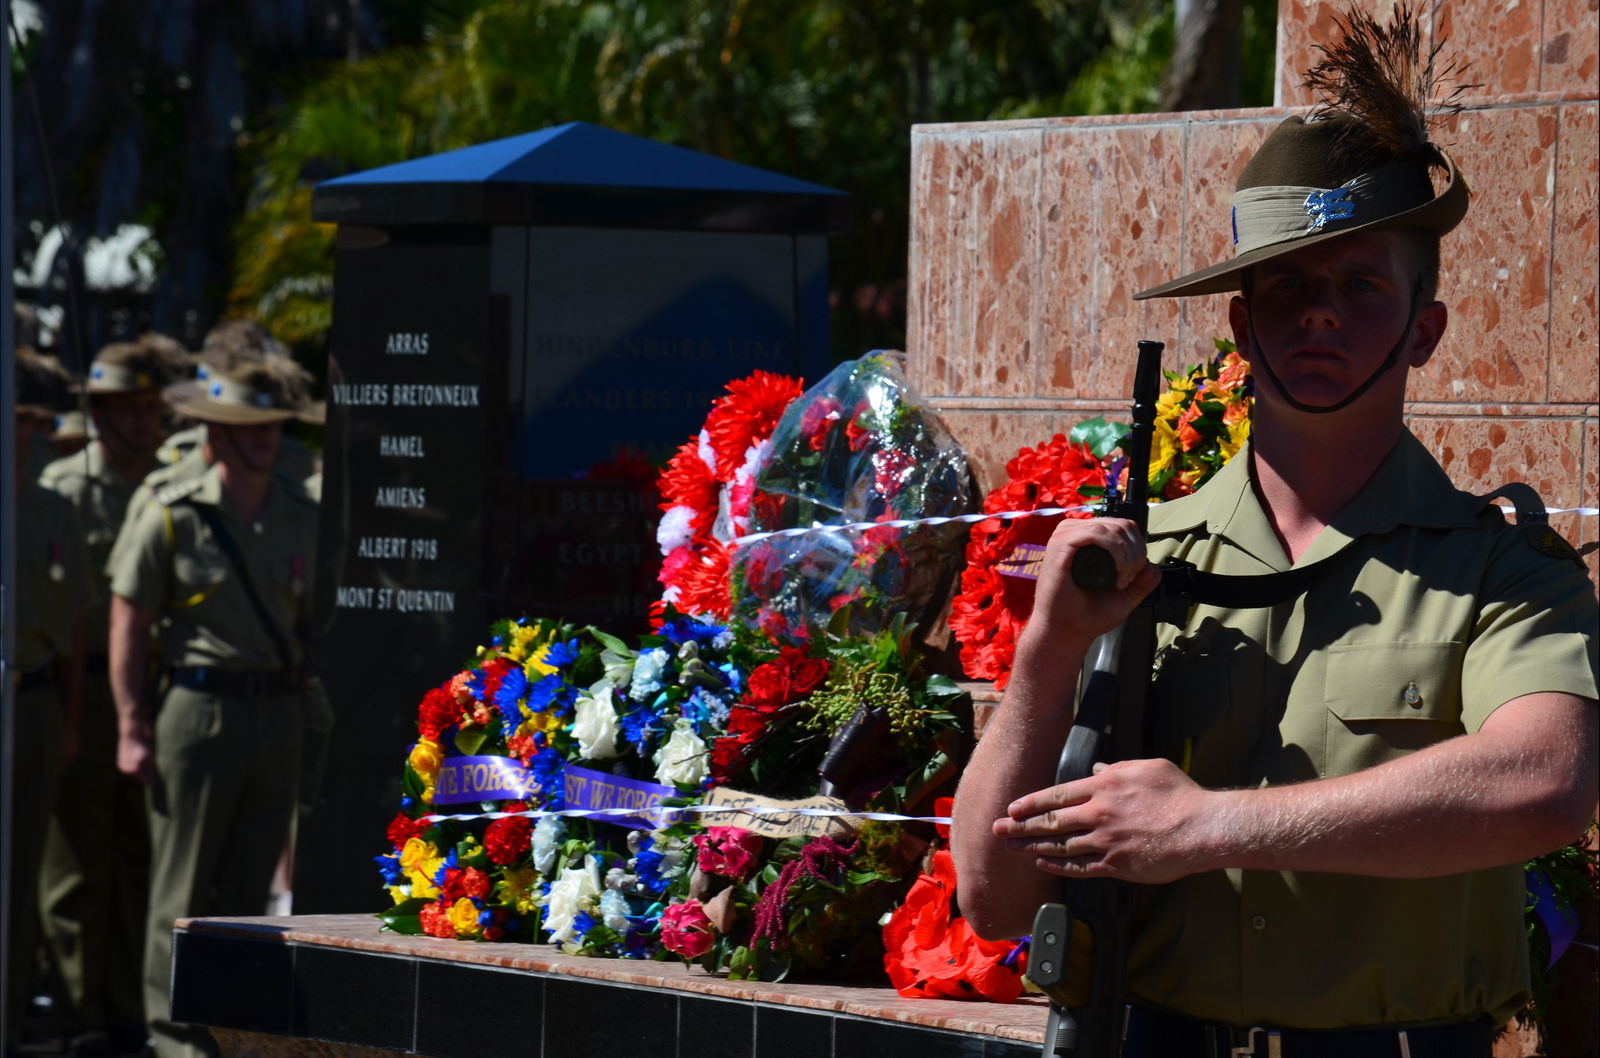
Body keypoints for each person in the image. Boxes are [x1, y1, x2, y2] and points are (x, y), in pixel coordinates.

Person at [949, 9, 1598, 1056]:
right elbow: (992, 894)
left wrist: (1206, 823)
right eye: (1288, 286)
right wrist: (1050, 649)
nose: (1320, 313)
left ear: (1424, 331)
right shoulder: (1144, 565)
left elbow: (1542, 785)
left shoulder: (1501, 571)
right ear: (1243, 326)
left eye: (1360, 284)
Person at [105, 357, 319, 1058]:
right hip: (197, 713)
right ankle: (173, 1039)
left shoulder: (299, 513)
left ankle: (233, 1032)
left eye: (272, 425)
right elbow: (129, 620)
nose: (264, 437)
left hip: (275, 713)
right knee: (182, 889)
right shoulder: (173, 510)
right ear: (216, 434)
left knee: (249, 894)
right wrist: (131, 727)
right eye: (248, 426)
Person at [37, 335, 191, 1056]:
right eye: (124, 408)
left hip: (159, 687)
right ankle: (78, 1006)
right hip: (86, 684)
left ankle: (132, 1004)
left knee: (142, 854)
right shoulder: (66, 488)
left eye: (149, 408)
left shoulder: (170, 486)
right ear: (95, 414)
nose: (140, 421)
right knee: (76, 855)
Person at [7, 350, 91, 1053]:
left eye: (31, 423)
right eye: (17, 420)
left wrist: (68, 720)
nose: (24, 435)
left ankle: (9, 1021)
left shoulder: (53, 509)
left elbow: (73, 629)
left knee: (23, 869)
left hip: (32, 699)